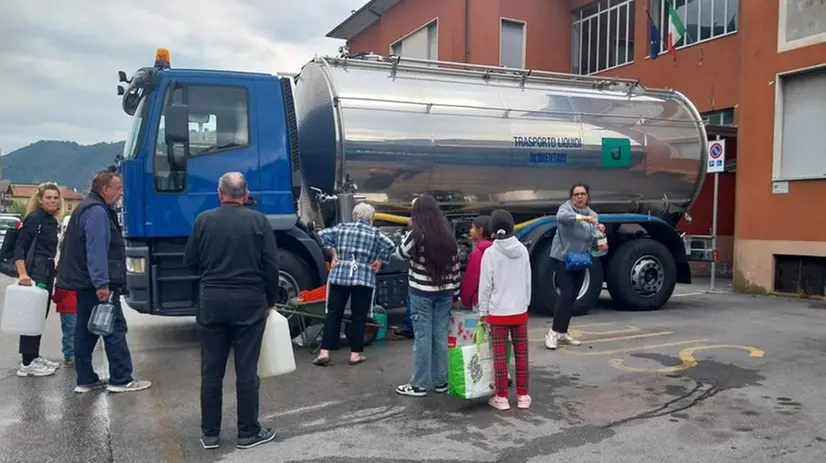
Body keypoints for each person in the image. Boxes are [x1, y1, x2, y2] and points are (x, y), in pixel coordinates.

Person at [183, 172, 279, 450]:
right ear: (245, 195)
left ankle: (210, 434)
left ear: (220, 194)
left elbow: (190, 261)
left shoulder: (203, 221)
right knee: (247, 369)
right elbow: (271, 267)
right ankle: (248, 433)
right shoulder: (259, 221)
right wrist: (269, 300)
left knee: (211, 370)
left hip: (212, 301)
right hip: (249, 302)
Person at [57, 170, 151, 393]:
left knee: (86, 329)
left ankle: (85, 379)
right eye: (117, 188)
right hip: (95, 283)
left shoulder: (85, 208)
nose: (121, 192)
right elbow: (96, 250)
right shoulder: (97, 212)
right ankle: (121, 379)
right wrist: (102, 284)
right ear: (105, 189)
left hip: (83, 281)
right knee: (114, 328)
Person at [313, 203, 395, 366]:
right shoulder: (375, 233)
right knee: (359, 316)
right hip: (363, 276)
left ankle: (325, 351)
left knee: (333, 314)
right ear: (371, 218)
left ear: (354, 215)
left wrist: (333, 252)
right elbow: (390, 245)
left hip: (340, 274)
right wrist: (379, 260)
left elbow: (320, 235)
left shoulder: (341, 228)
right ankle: (355, 354)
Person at [395, 195, 461, 397]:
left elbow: (400, 253)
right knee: (440, 336)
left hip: (421, 294)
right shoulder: (447, 235)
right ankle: (441, 382)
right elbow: (456, 266)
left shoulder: (417, 233)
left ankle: (419, 384)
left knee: (423, 337)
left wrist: (409, 229)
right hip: (445, 293)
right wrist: (456, 293)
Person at [477, 209, 532, 410]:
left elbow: (485, 286)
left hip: (498, 312)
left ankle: (501, 398)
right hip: (519, 310)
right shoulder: (523, 250)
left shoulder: (490, 253)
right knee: (522, 355)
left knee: (499, 356)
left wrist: (483, 312)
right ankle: (523, 396)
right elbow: (527, 281)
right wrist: (525, 303)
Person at [544, 183, 604, 350]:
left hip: (580, 258)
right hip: (563, 258)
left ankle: (563, 332)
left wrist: (598, 229)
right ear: (571, 197)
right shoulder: (566, 209)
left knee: (573, 296)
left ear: (587, 196)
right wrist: (582, 219)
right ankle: (553, 332)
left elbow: (592, 238)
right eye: (576, 194)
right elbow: (561, 217)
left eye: (582, 194)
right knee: (566, 293)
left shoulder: (593, 214)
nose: (579, 197)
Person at [14, 182, 63, 377]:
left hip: (47, 268)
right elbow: (20, 247)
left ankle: (33, 356)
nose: (52, 200)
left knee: (39, 315)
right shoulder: (35, 219)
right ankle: (26, 364)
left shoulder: (50, 220)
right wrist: (23, 273)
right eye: (48, 197)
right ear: (40, 200)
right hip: (37, 271)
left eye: (55, 197)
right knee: (32, 316)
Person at [459, 215, 492, 310]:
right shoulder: (496, 250)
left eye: (472, 227)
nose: (470, 230)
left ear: (480, 230)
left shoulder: (478, 253)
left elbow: (472, 280)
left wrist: (465, 300)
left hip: (479, 300)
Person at [52, 287, 77, 366]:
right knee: (74, 332)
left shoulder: (64, 277)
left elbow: (59, 292)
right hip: (74, 306)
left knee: (69, 332)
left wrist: (55, 299)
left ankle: (69, 355)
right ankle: (71, 354)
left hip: (67, 307)